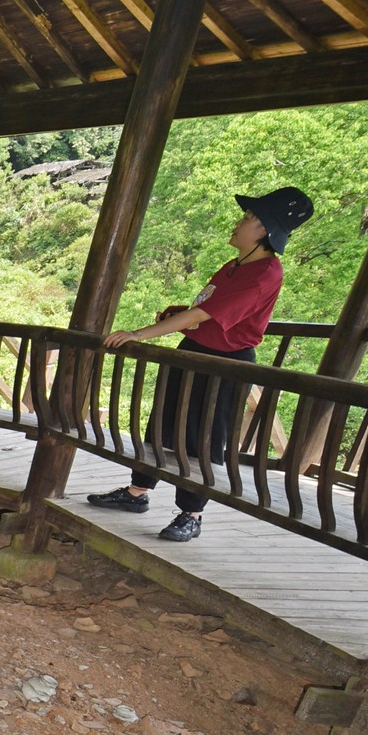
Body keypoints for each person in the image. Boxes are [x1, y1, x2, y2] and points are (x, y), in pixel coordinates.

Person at [85, 187, 314, 543]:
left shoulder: (266, 272)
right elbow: (201, 313)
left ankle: (191, 514)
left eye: (250, 219)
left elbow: (205, 313)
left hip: (224, 363)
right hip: (192, 350)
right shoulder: (236, 265)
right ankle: (136, 493)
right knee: (162, 423)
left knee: (202, 438)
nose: (240, 223)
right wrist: (177, 316)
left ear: (265, 232)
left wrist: (140, 333)